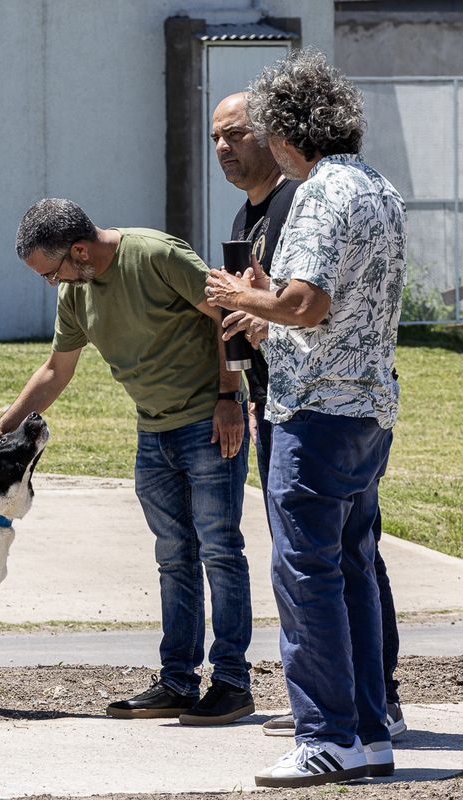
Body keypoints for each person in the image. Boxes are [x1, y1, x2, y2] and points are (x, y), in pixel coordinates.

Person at [205, 50, 407, 788]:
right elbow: (336, 312)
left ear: (289, 133)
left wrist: (241, 296)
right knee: (351, 566)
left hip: (314, 414)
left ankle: (327, 737)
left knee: (306, 575)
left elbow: (305, 304)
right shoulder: (378, 187)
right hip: (367, 409)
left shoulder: (319, 195)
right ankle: (368, 732)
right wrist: (272, 315)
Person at [0, 199, 254, 726]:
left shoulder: (155, 255)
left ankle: (233, 683)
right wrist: (3, 427)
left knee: (219, 549)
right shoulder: (76, 290)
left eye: (50, 271)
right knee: (174, 555)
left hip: (208, 421)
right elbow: (56, 370)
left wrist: (228, 396)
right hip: (154, 430)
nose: (50, 283)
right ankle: (177, 682)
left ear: (79, 250)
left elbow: (228, 316)